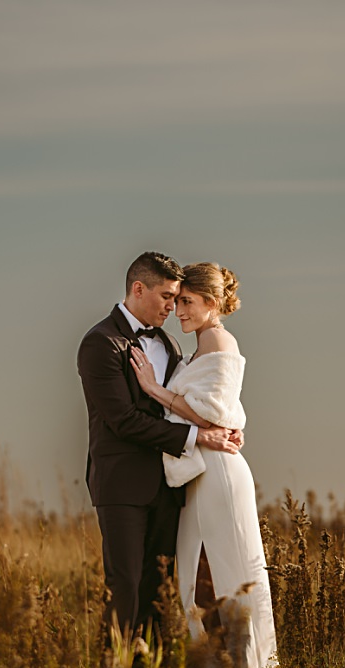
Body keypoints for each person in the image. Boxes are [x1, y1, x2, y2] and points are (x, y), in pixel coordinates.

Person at [128, 262, 281, 668]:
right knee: (199, 583)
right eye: (175, 303)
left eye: (187, 303)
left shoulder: (216, 340)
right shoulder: (199, 346)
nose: (178, 312)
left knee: (222, 579)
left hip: (217, 475)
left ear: (212, 304)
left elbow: (213, 415)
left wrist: (155, 390)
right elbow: (222, 414)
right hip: (201, 474)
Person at [77, 252, 242, 645]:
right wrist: (199, 437)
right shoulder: (100, 343)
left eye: (179, 298)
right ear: (138, 289)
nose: (173, 306)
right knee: (126, 586)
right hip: (123, 487)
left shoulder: (168, 344)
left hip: (170, 486)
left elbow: (200, 398)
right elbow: (124, 422)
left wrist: (229, 427)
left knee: (161, 590)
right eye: (168, 296)